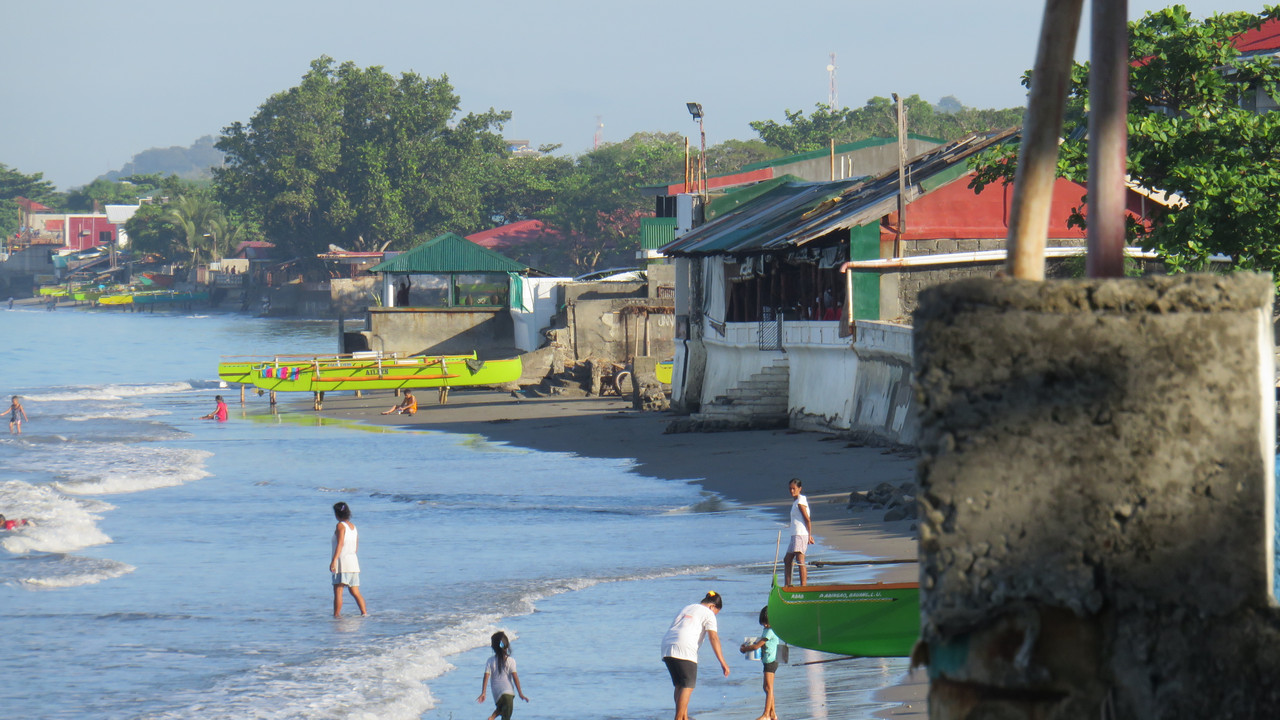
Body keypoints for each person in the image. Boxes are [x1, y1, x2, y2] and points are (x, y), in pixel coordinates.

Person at [661, 591, 729, 720]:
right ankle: (679, 717)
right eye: (716, 613)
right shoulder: (708, 613)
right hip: (684, 647)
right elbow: (713, 638)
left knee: (680, 685)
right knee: (688, 685)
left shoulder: (687, 607)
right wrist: (723, 662)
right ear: (712, 607)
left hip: (667, 646)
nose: (715, 615)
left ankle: (684, 717)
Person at [477, 631, 529, 720]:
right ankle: (492, 717)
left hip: (497, 694)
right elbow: (515, 677)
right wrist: (520, 693)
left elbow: (486, 677)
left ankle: (492, 718)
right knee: (506, 715)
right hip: (508, 693)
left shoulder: (490, 660)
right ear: (507, 645)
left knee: (501, 708)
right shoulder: (511, 661)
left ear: (493, 647)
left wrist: (483, 692)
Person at [740, 606, 781, 720]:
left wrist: (745, 649)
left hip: (771, 661)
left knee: (768, 687)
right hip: (769, 660)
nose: (765, 625)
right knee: (767, 687)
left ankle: (766, 714)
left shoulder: (770, 631)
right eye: (764, 623)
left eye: (767, 623)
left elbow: (757, 646)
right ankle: (772, 713)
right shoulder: (768, 630)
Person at [329, 501, 368, 617]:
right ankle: (364, 613)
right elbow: (356, 547)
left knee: (338, 591)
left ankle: (336, 616)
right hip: (353, 563)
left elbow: (340, 543)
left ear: (337, 514)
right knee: (355, 591)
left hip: (342, 563)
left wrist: (334, 560)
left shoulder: (340, 525)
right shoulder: (353, 527)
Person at [784, 478, 814, 586]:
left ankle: (803, 586)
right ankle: (788, 586)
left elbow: (807, 519)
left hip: (800, 534)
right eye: (790, 489)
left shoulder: (801, 501)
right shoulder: (796, 502)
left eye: (794, 488)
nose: (792, 491)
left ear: (799, 489)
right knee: (787, 560)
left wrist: (809, 535)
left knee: (800, 560)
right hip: (795, 534)